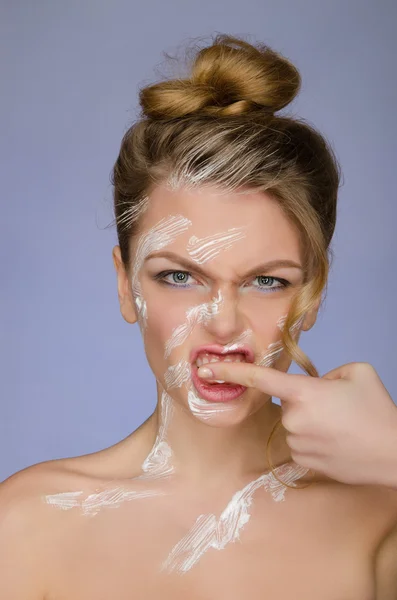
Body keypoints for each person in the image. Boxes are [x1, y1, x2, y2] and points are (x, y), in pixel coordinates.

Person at [1, 34, 397, 599]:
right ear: (124, 283)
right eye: (180, 276)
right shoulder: (26, 523)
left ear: (312, 293)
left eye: (267, 281)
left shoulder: (381, 515)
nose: (222, 321)